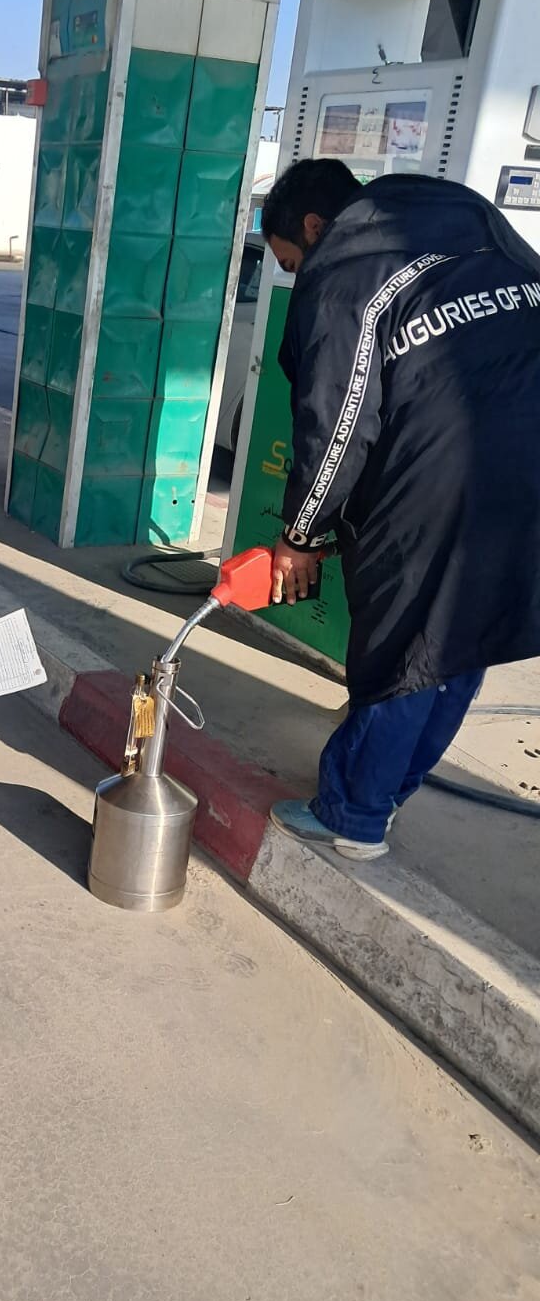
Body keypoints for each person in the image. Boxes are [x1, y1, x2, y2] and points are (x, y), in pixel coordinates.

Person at [260, 159, 540, 859]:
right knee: (463, 633)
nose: (297, 277)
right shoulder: (460, 212)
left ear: (314, 226)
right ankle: (387, 791)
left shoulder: (344, 271)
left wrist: (301, 534)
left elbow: (337, 423)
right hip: (528, 457)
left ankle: (352, 815)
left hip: (439, 473)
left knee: (404, 643)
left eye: (290, 263)